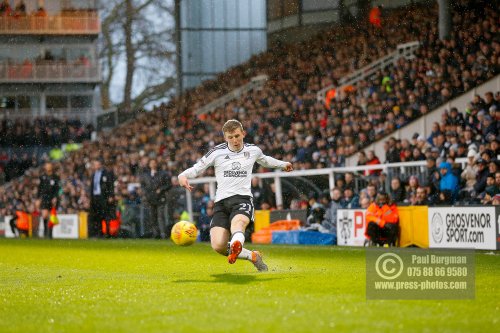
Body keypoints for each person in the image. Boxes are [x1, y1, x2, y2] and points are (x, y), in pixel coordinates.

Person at [178, 119, 293, 271]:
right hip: (221, 203)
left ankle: (236, 243)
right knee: (218, 245)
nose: (235, 140)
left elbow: (265, 161)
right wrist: (183, 175)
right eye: (230, 137)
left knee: (238, 224)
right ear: (225, 138)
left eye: (237, 136)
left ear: (243, 133)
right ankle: (252, 256)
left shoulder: (253, 150)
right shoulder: (217, 152)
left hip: (242, 199)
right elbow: (198, 167)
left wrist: (283, 164)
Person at [140, 158, 170, 239]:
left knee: (160, 217)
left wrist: (161, 190)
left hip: (160, 198)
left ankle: (163, 234)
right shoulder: (145, 175)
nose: (153, 164)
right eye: (151, 163)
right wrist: (146, 193)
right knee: (152, 217)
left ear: (157, 164)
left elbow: (168, 184)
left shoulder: (163, 174)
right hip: (150, 199)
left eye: (154, 162)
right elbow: (142, 185)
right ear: (149, 164)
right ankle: (155, 234)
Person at [88, 158, 115, 238]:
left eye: (97, 164)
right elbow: (92, 187)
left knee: (105, 215)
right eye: (95, 164)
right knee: (97, 216)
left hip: (103, 197)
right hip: (95, 197)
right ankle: (99, 233)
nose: (96, 166)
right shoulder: (93, 174)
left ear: (100, 165)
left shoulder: (106, 173)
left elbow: (110, 185)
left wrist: (111, 195)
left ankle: (107, 233)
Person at [37, 162, 59, 239]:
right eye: (47, 166)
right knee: (45, 215)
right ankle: (46, 231)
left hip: (52, 198)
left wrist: (56, 197)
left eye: (49, 166)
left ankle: (50, 233)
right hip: (44, 197)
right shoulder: (42, 177)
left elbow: (58, 189)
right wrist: (38, 199)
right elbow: (39, 189)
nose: (48, 167)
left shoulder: (56, 177)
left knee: (52, 216)